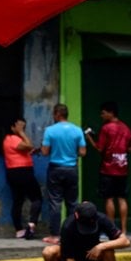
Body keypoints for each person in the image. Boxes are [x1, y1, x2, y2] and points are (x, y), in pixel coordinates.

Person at [42, 201, 131, 261]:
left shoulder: (102, 218)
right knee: (48, 252)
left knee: (108, 249)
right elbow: (69, 257)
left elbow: (125, 241)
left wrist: (100, 246)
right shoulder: (68, 225)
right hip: (73, 257)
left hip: (92, 255)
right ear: (76, 215)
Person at [40, 103, 87, 244]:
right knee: (72, 203)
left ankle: (55, 235)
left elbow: (45, 152)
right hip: (72, 168)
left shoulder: (50, 131)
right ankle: (73, 233)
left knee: (55, 202)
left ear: (57, 114)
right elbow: (83, 152)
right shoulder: (77, 130)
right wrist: (71, 153)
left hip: (56, 168)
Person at [84, 101, 131, 234]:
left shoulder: (106, 128)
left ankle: (111, 229)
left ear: (110, 113)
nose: (102, 116)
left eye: (103, 113)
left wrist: (89, 137)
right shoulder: (126, 128)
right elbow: (130, 148)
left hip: (108, 168)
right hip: (122, 168)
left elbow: (99, 148)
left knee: (109, 198)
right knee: (122, 198)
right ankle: (124, 230)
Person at [3, 117, 42, 239]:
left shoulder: (11, 140)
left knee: (18, 200)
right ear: (12, 127)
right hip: (22, 172)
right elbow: (29, 145)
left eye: (23, 127)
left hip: (14, 173)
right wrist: (21, 133)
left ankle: (19, 230)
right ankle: (32, 224)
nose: (22, 129)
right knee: (37, 198)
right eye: (19, 127)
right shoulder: (12, 138)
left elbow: (24, 149)